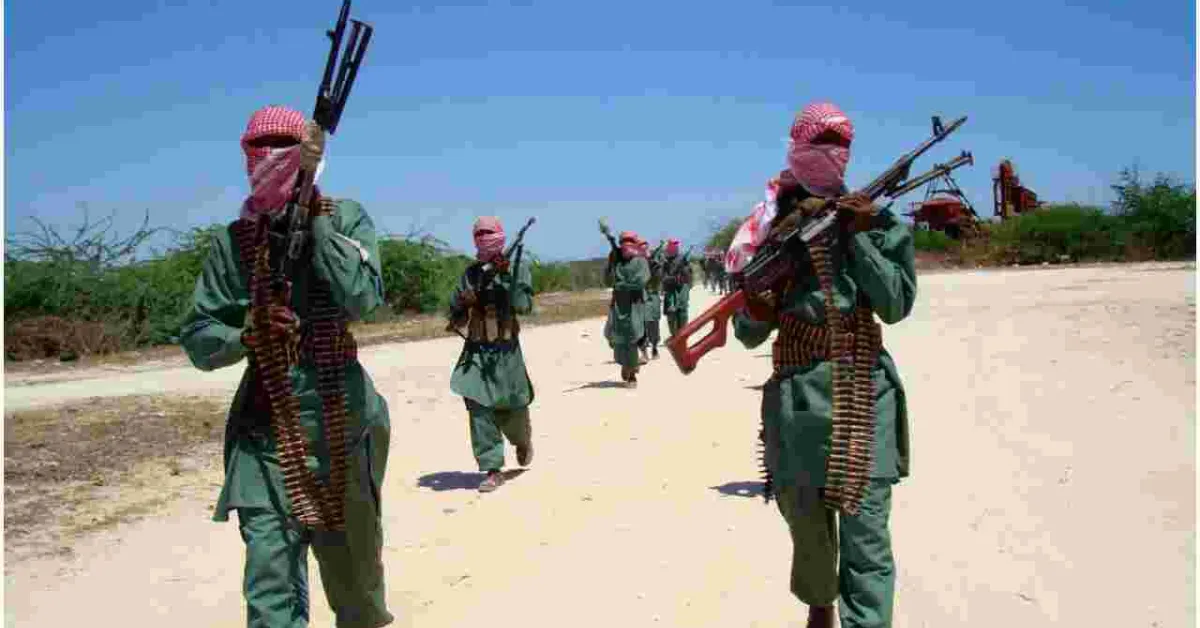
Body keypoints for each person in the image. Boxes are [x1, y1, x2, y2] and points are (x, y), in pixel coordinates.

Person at [179, 104, 394, 628]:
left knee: (356, 583)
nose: (272, 156)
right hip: (267, 431)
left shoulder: (345, 218)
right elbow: (199, 335)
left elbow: (363, 297)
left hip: (343, 422)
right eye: (262, 146)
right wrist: (247, 335)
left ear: (310, 155)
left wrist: (315, 222)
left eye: (285, 146)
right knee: (269, 585)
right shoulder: (235, 241)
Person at [728, 102, 915, 628]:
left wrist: (858, 237)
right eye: (821, 142)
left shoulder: (875, 221)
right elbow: (746, 332)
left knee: (867, 535)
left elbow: (895, 304)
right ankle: (819, 601)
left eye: (841, 143)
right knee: (806, 525)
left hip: (864, 395)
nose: (833, 153)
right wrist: (763, 296)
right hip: (797, 404)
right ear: (796, 148)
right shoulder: (770, 228)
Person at [446, 217, 536, 493]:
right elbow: (454, 311)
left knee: (513, 407)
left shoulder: (518, 267)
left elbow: (524, 305)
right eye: (479, 234)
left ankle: (522, 441)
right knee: (478, 406)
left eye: (489, 233)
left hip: (507, 353)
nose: (484, 238)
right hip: (477, 351)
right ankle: (492, 468)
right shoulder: (471, 273)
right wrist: (463, 302)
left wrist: (506, 276)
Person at [603, 230, 650, 387]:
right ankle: (626, 364)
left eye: (630, 241)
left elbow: (640, 282)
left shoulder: (641, 261)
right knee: (616, 338)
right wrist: (611, 265)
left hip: (634, 305)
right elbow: (607, 281)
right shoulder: (616, 261)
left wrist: (622, 285)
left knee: (631, 338)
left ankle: (632, 373)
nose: (626, 245)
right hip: (617, 305)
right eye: (623, 242)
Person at [639, 237, 665, 361]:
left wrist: (654, 264)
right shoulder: (636, 264)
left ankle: (654, 347)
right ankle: (644, 352)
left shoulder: (655, 263)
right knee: (641, 324)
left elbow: (658, 278)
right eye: (641, 249)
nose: (644, 251)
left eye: (645, 249)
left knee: (653, 323)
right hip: (640, 297)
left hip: (653, 296)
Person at [660, 239, 693, 337]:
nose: (675, 247)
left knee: (682, 311)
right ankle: (674, 335)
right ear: (668, 247)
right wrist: (669, 279)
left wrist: (683, 273)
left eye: (676, 245)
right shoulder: (665, 261)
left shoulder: (683, 259)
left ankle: (682, 334)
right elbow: (662, 276)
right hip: (670, 288)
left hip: (682, 287)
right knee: (671, 313)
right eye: (672, 245)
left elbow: (689, 274)